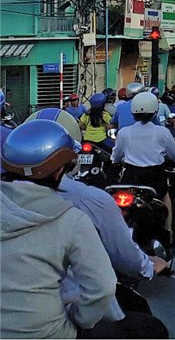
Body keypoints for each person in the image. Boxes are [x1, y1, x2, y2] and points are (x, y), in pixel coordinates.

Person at [23, 108, 170, 338]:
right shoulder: (82, 206)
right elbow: (114, 269)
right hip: (60, 320)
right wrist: (148, 266)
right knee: (151, 329)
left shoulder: (9, 202)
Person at [1, 120, 117, 338]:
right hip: (47, 333)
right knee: (149, 328)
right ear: (58, 172)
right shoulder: (71, 220)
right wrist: (80, 319)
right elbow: (102, 287)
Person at [111, 92, 175, 233]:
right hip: (155, 179)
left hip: (130, 179)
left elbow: (115, 157)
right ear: (155, 112)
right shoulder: (162, 132)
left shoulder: (124, 133)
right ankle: (169, 231)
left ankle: (118, 232)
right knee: (166, 197)